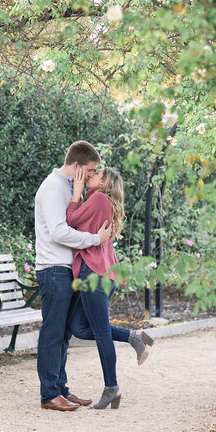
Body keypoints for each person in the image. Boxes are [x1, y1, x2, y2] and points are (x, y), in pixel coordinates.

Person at [66, 166, 154, 410]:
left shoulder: (99, 198)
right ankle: (132, 336)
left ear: (103, 183)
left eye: (96, 173)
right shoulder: (100, 201)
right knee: (79, 328)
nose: (90, 174)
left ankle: (111, 388)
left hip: (94, 274)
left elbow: (71, 219)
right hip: (101, 273)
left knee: (101, 333)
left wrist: (77, 192)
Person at [34, 141, 113, 412]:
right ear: (77, 166)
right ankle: (49, 394)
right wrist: (95, 238)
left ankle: (61, 389)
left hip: (66, 269)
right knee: (53, 332)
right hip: (53, 269)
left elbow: (74, 219)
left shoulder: (67, 187)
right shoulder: (54, 188)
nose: (92, 175)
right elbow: (59, 232)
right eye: (90, 170)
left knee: (64, 333)